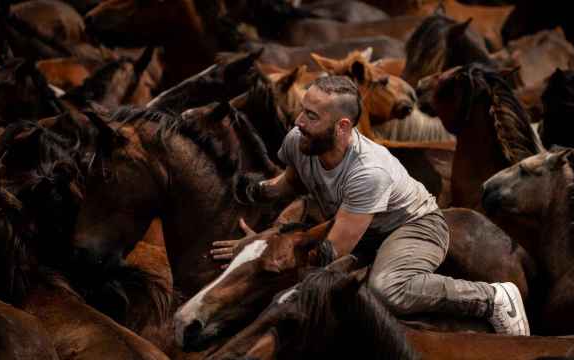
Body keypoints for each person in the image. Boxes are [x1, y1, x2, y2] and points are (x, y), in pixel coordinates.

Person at [211, 75, 529, 336]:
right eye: (302, 110)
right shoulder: (299, 140)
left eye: (311, 115)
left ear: (343, 126)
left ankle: (491, 298)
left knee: (386, 288)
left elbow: (330, 251)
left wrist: (265, 247)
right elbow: (288, 182)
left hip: (413, 226)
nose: (298, 122)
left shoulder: (369, 171)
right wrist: (249, 191)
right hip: (362, 227)